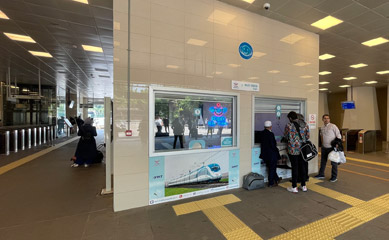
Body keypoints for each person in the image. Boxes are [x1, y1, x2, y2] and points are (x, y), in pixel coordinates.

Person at [284, 111, 310, 193]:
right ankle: (304, 186)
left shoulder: (289, 125)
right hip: (302, 149)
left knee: (295, 167)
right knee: (302, 167)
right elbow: (308, 136)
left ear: (290, 118)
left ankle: (294, 187)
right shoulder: (305, 124)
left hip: (293, 150)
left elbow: (286, 136)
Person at [315, 114, 341, 182]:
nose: (326, 120)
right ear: (322, 119)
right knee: (323, 161)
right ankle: (321, 174)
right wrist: (322, 145)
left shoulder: (333, 126)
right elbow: (321, 136)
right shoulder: (322, 127)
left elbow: (339, 136)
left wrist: (337, 144)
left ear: (329, 119)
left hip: (332, 148)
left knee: (334, 163)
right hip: (324, 147)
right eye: (325, 118)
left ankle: (334, 177)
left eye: (328, 118)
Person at [259, 121, 281, 187]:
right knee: (272, 168)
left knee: (270, 167)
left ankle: (276, 178)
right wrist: (277, 151)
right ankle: (271, 183)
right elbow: (273, 145)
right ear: (271, 126)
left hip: (265, 154)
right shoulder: (271, 134)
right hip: (271, 154)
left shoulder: (261, 133)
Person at [297, 113, 309, 183]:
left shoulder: (295, 125)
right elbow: (308, 136)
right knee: (305, 162)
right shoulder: (306, 125)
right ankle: (306, 177)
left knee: (299, 163)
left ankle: (300, 178)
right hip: (305, 146)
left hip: (298, 147)